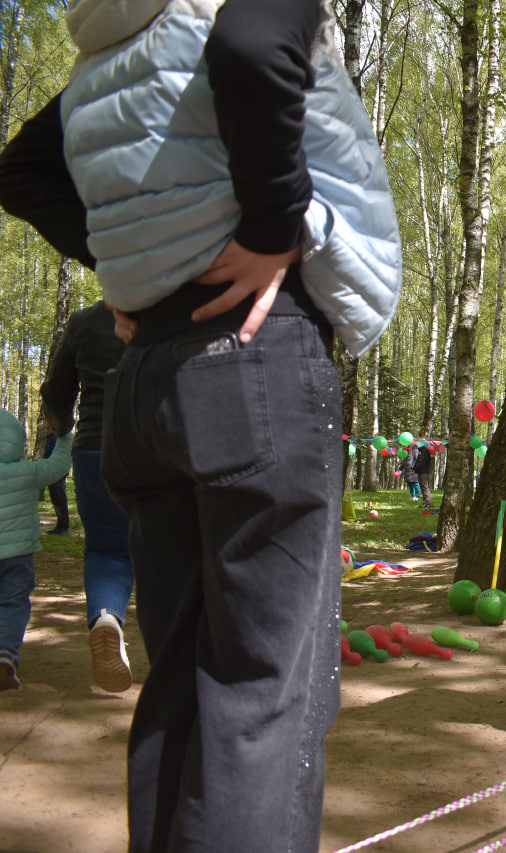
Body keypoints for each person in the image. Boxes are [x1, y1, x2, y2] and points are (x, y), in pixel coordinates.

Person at [0, 0, 401, 848]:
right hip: (254, 355)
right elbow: (255, 40)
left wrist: (131, 265)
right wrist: (273, 224)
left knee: (179, 680)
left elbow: (22, 171)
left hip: (148, 377)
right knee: (265, 692)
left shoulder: (106, 50)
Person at [40, 300, 135, 693]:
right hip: (170, 448)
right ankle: (186, 659)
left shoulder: (85, 321)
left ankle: (107, 619)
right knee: (181, 551)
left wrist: (61, 426)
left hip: (98, 449)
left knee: (108, 551)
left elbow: (57, 393)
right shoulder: (187, 306)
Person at [0, 411, 72, 689]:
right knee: (13, 602)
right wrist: (63, 437)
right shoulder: (27, 472)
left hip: (18, 553)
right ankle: (5, 655)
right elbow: (58, 466)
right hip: (18, 556)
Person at [42, 426, 71, 534]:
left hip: (56, 473)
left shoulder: (57, 439)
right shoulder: (52, 438)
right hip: (54, 472)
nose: (46, 426)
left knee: (59, 500)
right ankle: (61, 525)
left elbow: (54, 456)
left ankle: (63, 527)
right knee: (57, 499)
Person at [413, 441, 434, 508]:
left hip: (423, 471)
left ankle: (428, 502)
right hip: (422, 471)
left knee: (424, 487)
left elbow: (420, 462)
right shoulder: (423, 451)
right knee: (423, 487)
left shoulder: (424, 451)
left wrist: (415, 469)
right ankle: (425, 502)